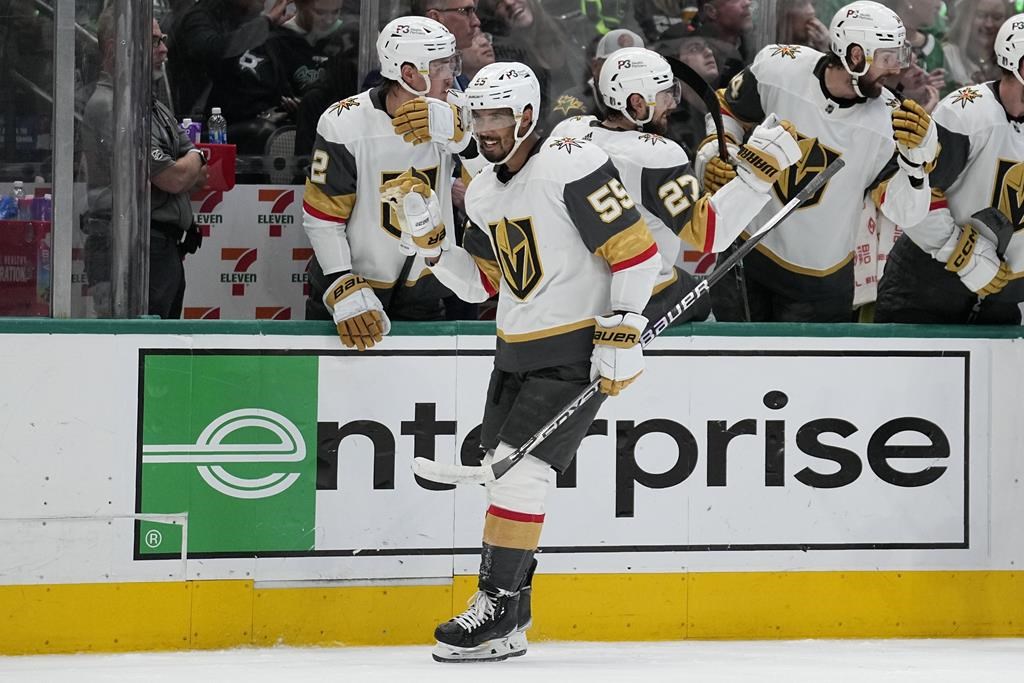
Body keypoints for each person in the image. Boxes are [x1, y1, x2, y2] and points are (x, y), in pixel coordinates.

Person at [382, 63, 660, 662]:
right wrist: (432, 244)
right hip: (513, 352)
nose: (485, 128)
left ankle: (495, 605)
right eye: (478, 116)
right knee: (504, 475)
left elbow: (638, 255)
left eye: (497, 116)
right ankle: (512, 621)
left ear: (528, 115)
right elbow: (482, 285)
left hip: (571, 351)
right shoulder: (483, 190)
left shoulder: (570, 163)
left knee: (520, 474)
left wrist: (623, 327)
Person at [692, 0, 937, 322]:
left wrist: (915, 163)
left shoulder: (891, 122)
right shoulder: (779, 67)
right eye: (887, 58)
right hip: (745, 255)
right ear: (855, 55)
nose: (897, 69)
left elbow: (904, 211)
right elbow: (727, 110)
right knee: (732, 369)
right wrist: (716, 149)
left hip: (820, 281)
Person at [550, 47, 803, 326]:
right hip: (635, 296)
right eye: (664, 96)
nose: (672, 104)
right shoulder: (654, 156)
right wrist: (757, 174)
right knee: (706, 301)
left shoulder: (568, 132)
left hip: (573, 291)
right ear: (636, 103)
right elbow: (710, 234)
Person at [300, 16, 463, 349]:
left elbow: (492, 190)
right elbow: (322, 217)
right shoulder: (344, 122)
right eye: (440, 65)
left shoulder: (459, 113)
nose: (451, 75)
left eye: (452, 62)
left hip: (425, 292)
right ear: (408, 73)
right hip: (353, 290)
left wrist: (468, 144)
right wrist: (340, 281)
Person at [874, 13, 1024, 325]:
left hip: (1005, 298)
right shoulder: (967, 115)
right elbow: (912, 191)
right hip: (926, 286)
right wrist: (961, 251)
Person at [82, 11, 207, 319]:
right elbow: (175, 178)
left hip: (161, 250)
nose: (164, 49)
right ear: (115, 49)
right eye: (153, 42)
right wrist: (195, 160)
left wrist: (193, 160)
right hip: (130, 249)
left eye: (162, 39)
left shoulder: (150, 105)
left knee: (161, 354)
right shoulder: (111, 107)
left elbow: (197, 170)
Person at [168, 0, 291, 119]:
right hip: (207, 118)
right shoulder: (198, 18)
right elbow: (216, 50)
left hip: (256, 112)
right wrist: (266, 22)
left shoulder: (246, 20)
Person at [548, 28, 645, 125]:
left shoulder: (652, 96)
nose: (626, 72)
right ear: (595, 66)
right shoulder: (573, 106)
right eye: (615, 65)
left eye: (635, 65)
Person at [942, 0, 1009, 93]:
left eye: (997, 17)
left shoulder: (1012, 59)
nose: (989, 24)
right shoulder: (947, 55)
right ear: (966, 17)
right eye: (981, 15)